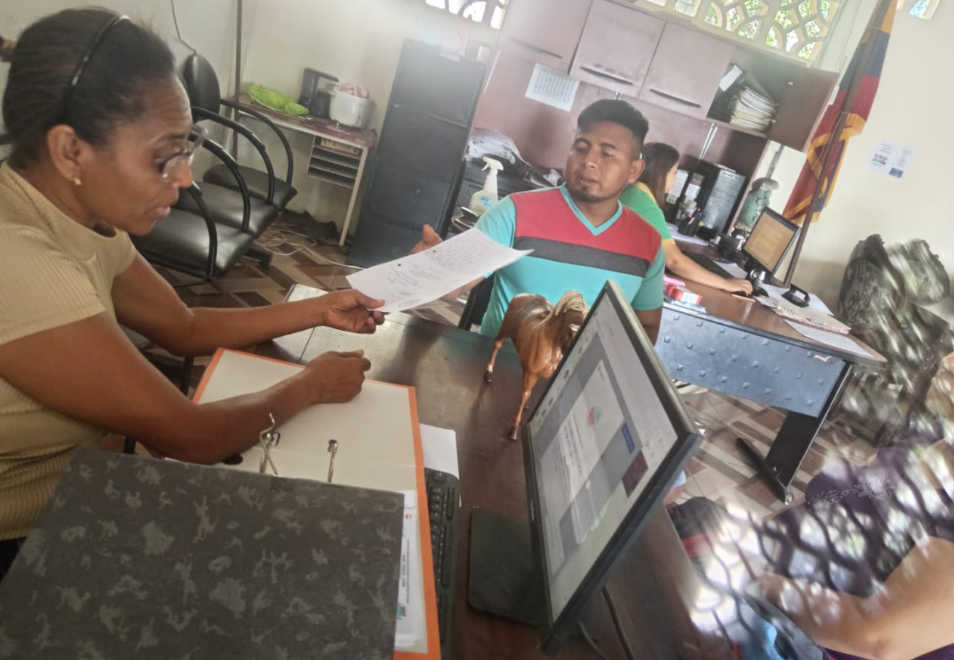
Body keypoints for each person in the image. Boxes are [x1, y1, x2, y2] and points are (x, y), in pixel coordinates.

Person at [0, 9, 384, 579]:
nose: (185, 179)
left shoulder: (84, 218)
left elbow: (183, 326)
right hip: (22, 544)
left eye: (189, 147)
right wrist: (313, 383)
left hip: (79, 487)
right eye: (165, 157)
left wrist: (320, 308)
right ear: (71, 151)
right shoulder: (17, 255)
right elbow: (189, 434)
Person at [414, 99, 666, 343]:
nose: (589, 161)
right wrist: (431, 268)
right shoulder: (515, 212)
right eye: (581, 148)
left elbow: (646, 327)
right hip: (494, 365)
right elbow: (452, 284)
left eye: (607, 154)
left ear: (634, 170)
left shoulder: (648, 243)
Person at [619, 143, 753, 295]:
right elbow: (674, 262)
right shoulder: (645, 205)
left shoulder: (631, 191)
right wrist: (725, 283)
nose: (675, 178)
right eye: (674, 172)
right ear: (661, 173)